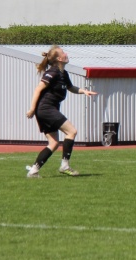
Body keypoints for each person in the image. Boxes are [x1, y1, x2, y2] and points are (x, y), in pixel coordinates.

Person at [25, 46, 97, 178]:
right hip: (46, 109)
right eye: (63, 52)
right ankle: (65, 165)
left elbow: (71, 87)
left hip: (48, 109)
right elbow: (38, 89)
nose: (66, 53)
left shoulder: (63, 73)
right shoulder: (53, 72)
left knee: (53, 143)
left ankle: (33, 171)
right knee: (72, 131)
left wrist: (84, 91)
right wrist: (32, 109)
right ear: (59, 58)